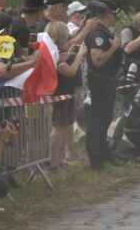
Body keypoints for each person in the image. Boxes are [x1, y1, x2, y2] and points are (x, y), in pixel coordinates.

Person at [84, 0, 124, 170]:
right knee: (98, 119)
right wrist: (114, 48)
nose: (114, 16)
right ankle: (96, 156)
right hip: (100, 80)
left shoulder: (105, 32)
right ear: (106, 14)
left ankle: (104, 151)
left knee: (105, 117)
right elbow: (97, 60)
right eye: (112, 13)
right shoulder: (98, 35)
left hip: (107, 80)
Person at [44, 21, 87, 169]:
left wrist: (71, 54)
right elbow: (69, 70)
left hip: (67, 93)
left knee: (65, 127)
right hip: (60, 94)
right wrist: (79, 56)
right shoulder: (52, 52)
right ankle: (54, 164)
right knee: (58, 129)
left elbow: (64, 61)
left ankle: (60, 160)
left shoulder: (56, 51)